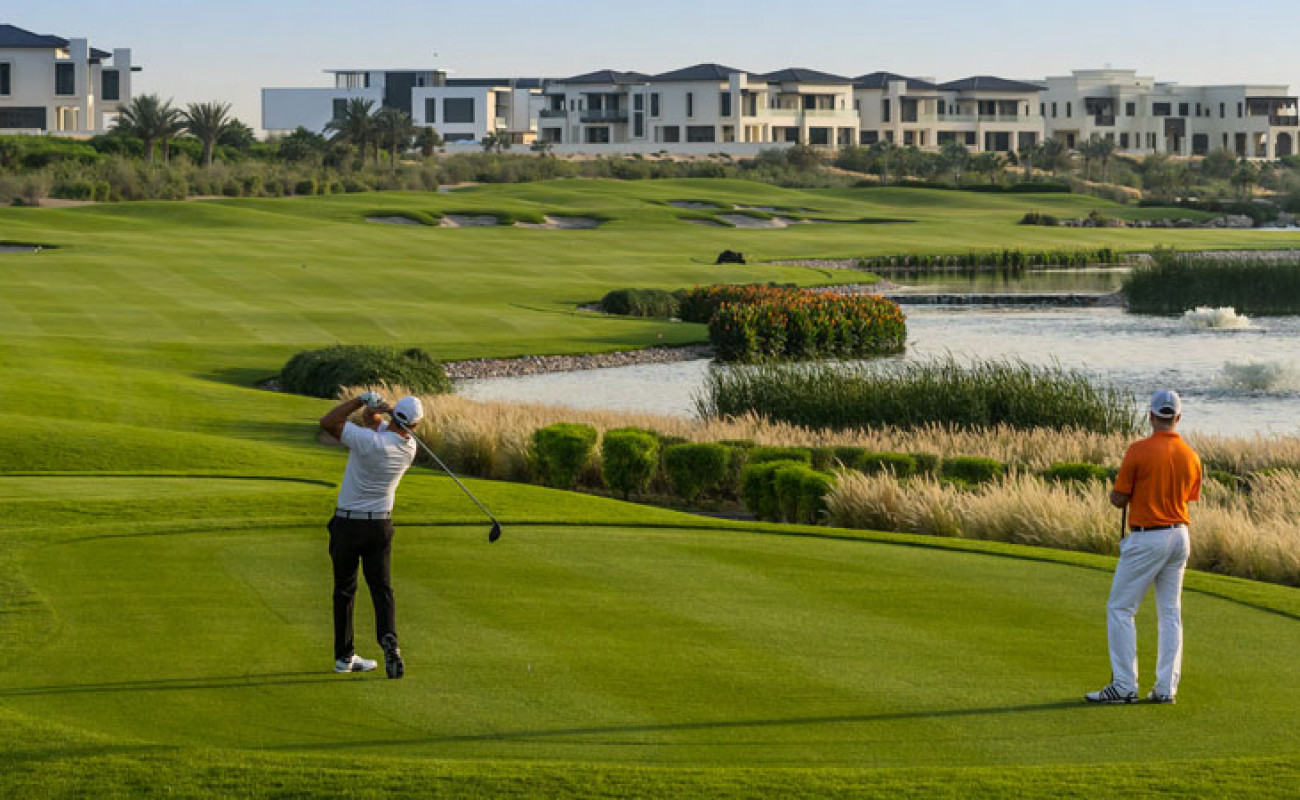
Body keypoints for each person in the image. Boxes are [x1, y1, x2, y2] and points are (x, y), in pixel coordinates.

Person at [1086, 389, 1202, 705]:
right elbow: (1188, 496)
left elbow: (1119, 498)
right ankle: (1165, 688)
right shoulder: (1191, 455)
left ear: (1151, 416)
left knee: (1121, 608)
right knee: (1170, 613)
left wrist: (1121, 493)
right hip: (1179, 536)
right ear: (1177, 417)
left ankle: (1124, 684)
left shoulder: (1138, 450)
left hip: (1147, 537)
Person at [318, 391, 423, 679]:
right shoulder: (409, 447)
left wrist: (361, 401)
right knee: (381, 589)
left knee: (344, 590)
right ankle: (389, 638)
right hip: (379, 526)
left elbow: (328, 421)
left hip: (347, 524)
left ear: (395, 415)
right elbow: (373, 421)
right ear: (415, 425)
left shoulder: (368, 441)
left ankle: (344, 657)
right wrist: (381, 410)